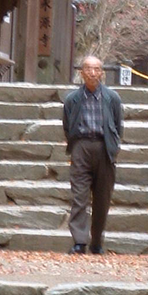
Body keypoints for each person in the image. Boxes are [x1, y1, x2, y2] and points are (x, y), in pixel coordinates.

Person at [62, 54, 124, 255]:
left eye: (96, 69)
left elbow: (117, 123)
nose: (92, 73)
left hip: (104, 147)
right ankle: (79, 241)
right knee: (79, 196)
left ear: (102, 73)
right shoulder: (72, 99)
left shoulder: (112, 98)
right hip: (81, 147)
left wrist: (114, 147)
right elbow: (67, 124)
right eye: (88, 68)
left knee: (102, 198)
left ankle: (97, 241)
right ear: (81, 73)